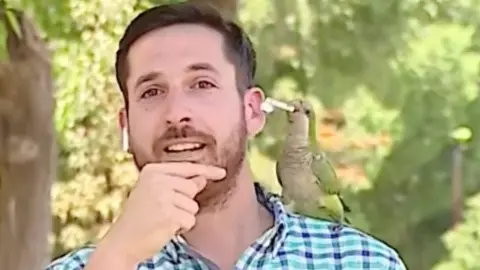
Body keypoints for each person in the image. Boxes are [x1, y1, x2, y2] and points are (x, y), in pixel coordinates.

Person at [46, 2, 407, 269]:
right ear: (125, 126)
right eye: (152, 92)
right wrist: (118, 256)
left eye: (202, 84)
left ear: (252, 112)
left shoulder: (360, 262)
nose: (176, 113)